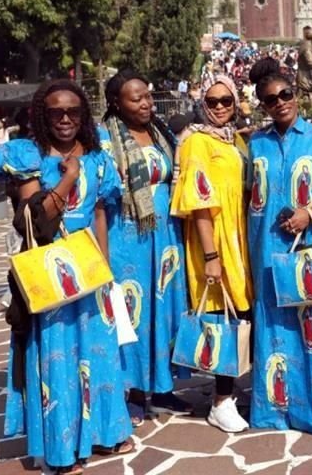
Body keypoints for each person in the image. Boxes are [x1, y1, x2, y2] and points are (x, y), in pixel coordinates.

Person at [0, 80, 132, 475]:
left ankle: (103, 434)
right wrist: (68, 178)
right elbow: (35, 218)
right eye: (56, 112)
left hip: (88, 271)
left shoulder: (99, 159)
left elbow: (101, 213)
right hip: (50, 272)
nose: (65, 118)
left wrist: (105, 271)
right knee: (59, 361)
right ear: (42, 115)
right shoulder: (26, 156)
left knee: (99, 354)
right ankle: (63, 448)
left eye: (73, 111)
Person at [246, 58, 312, 436]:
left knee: (311, 326)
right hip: (265, 247)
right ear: (263, 105)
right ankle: (273, 410)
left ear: (296, 94)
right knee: (272, 325)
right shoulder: (255, 141)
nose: (280, 102)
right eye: (271, 99)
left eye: (285, 94)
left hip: (307, 246)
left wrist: (311, 212)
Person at [99, 71, 192, 422]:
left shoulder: (160, 133)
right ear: (116, 103)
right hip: (128, 236)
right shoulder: (105, 139)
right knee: (134, 313)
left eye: (148, 96)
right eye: (135, 98)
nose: (145, 104)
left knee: (166, 310)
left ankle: (164, 389)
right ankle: (135, 391)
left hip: (165, 236)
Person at [170, 75, 252, 433]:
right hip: (213, 237)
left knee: (239, 312)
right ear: (203, 103)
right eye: (213, 101)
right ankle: (219, 401)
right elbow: (199, 202)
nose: (220, 107)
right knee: (223, 316)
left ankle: (229, 392)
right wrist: (210, 255)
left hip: (237, 232)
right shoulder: (196, 142)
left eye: (226, 101)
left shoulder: (232, 139)